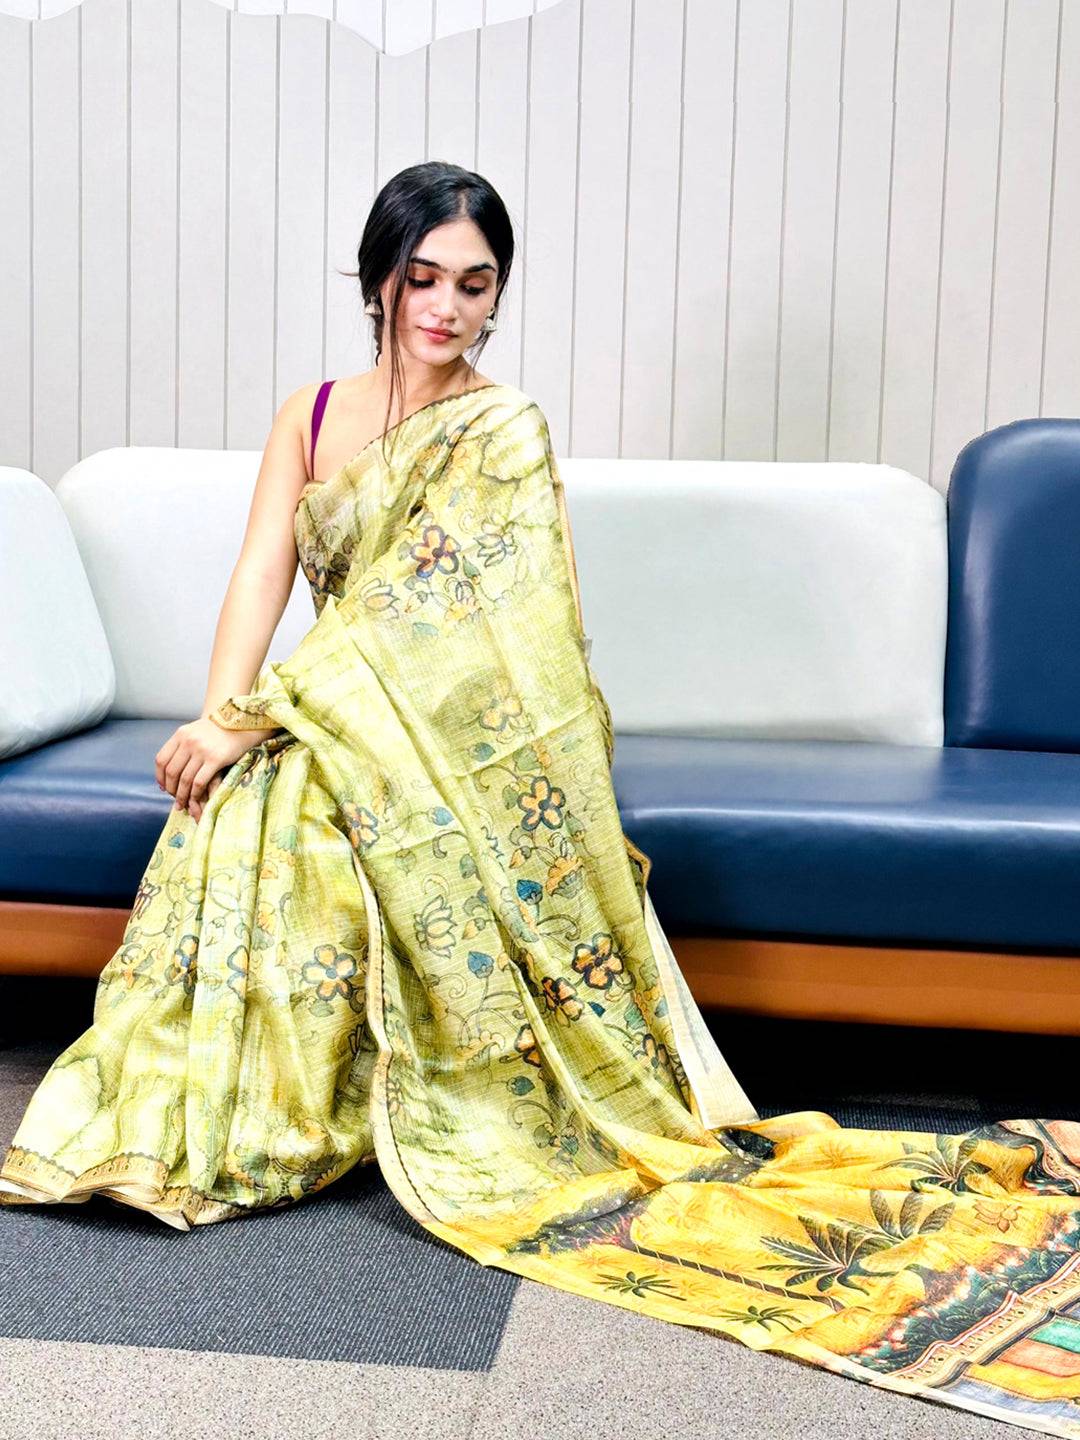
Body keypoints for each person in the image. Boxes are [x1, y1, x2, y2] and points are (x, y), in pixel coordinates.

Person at [3, 160, 1080, 1438]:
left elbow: (490, 632)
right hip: (332, 710)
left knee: (316, 809)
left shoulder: (503, 429)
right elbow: (259, 575)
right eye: (424, 281)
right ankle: (225, 1119)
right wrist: (220, 713)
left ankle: (341, 1110)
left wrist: (274, 710)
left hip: (451, 738)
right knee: (252, 819)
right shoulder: (314, 413)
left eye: (476, 285)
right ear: (378, 280)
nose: (448, 310)